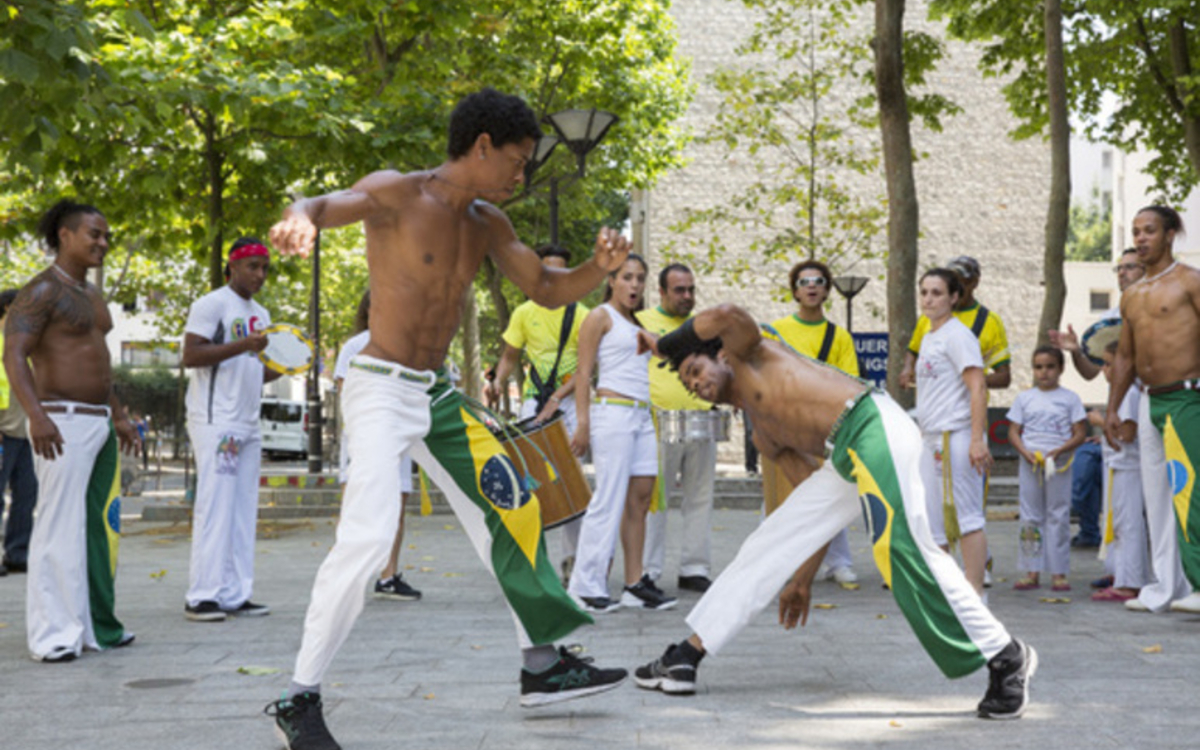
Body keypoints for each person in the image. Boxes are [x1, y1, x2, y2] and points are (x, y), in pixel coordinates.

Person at [264, 88, 631, 750]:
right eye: (517, 161)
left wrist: (596, 272)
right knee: (370, 539)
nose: (522, 176)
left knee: (515, 503)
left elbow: (546, 289)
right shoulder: (398, 194)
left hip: (433, 395)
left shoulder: (488, 222)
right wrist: (299, 218)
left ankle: (541, 664)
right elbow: (320, 204)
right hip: (379, 389)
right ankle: (299, 696)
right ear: (482, 146)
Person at [632, 303, 1037, 720]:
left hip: (872, 424)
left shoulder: (750, 352)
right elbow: (811, 515)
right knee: (771, 539)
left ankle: (1006, 656)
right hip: (846, 453)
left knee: (901, 547)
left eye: (695, 370)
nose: (696, 383)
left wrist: (664, 344)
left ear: (718, 355)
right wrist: (802, 581)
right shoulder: (765, 435)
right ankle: (686, 655)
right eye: (688, 383)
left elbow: (727, 313)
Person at [3, 199, 140, 662]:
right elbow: (14, 355)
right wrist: (36, 415)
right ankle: (52, 637)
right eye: (94, 235)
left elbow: (100, 359)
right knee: (58, 526)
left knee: (97, 527)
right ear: (65, 234)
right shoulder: (40, 291)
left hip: (99, 421)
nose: (103, 242)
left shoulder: (92, 296)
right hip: (60, 420)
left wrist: (119, 414)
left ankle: (91, 628)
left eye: (105, 236)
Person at [1106, 205, 1200, 614]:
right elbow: (1124, 358)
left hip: (1186, 396)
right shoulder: (1131, 294)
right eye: (1136, 231)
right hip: (1148, 400)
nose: (1141, 238)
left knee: (1188, 491)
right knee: (1156, 497)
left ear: (1170, 234)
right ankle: (1166, 586)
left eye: (1149, 231)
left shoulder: (1189, 282)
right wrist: (1112, 409)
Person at [568, 254, 675, 612]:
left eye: (640, 278)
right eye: (627, 277)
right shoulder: (599, 317)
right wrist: (582, 423)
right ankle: (585, 585)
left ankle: (634, 583)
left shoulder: (636, 324)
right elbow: (583, 374)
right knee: (608, 499)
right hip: (611, 415)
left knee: (641, 499)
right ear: (611, 280)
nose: (634, 285)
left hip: (643, 417)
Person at [181, 236, 278, 623]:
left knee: (242, 510)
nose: (259, 274)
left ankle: (236, 594)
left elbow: (254, 369)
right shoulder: (212, 303)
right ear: (232, 266)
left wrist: (290, 366)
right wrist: (243, 345)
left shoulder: (264, 313)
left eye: (265, 268)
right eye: (252, 266)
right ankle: (202, 595)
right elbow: (191, 355)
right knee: (215, 505)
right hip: (215, 420)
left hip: (248, 420)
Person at [485, 243, 588, 583]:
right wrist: (497, 381)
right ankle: (533, 559)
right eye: (548, 271)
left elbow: (589, 367)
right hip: (533, 402)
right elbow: (510, 356)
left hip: (570, 403)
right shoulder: (523, 313)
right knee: (530, 481)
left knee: (572, 482)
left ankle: (573, 560)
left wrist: (559, 397)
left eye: (561, 271)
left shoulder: (582, 315)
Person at [763, 259, 861, 585]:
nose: (812, 286)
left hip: (822, 427)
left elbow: (849, 380)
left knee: (829, 493)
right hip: (781, 426)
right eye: (805, 281)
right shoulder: (774, 331)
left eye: (819, 281)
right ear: (795, 290)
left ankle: (838, 562)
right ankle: (782, 563)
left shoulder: (840, 337)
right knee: (784, 499)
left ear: (827, 289)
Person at [1049, 248, 1145, 549]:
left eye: (1130, 267)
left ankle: (1148, 572)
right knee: (1118, 498)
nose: (1122, 273)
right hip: (1121, 411)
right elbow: (1092, 372)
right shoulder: (1109, 318)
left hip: (1153, 404)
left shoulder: (1159, 310)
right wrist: (1076, 351)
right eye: (1119, 268)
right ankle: (1120, 566)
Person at [334, 291, 421, 601]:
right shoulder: (355, 346)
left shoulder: (409, 347)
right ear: (368, 310)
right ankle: (347, 578)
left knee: (396, 506)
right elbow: (346, 390)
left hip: (397, 438)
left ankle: (389, 575)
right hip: (363, 438)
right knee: (356, 507)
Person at [637, 262, 719, 593]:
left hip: (702, 420)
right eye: (679, 290)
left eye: (691, 290)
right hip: (658, 422)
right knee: (656, 499)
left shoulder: (704, 326)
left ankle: (694, 567)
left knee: (701, 497)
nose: (687, 296)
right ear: (661, 292)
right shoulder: (641, 322)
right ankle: (646, 569)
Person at [913, 269, 992, 595]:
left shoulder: (958, 335)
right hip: (930, 437)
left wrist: (976, 439)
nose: (929, 299)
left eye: (937, 293)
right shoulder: (930, 336)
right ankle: (947, 589)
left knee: (966, 517)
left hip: (956, 436)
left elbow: (978, 387)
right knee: (934, 522)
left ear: (954, 298)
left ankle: (974, 590)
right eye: (925, 292)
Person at [1006, 346, 1087, 592]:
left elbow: (1080, 432)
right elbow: (1013, 431)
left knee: (1058, 515)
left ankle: (1058, 572)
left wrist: (1062, 450)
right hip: (1030, 462)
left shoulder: (1070, 398)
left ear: (1060, 368)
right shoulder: (1024, 398)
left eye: (1050, 366)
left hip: (1058, 465)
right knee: (1030, 515)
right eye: (1039, 367)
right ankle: (1032, 570)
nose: (1044, 372)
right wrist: (1024, 452)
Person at [1092, 341, 1150, 602]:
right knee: (1119, 524)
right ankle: (1122, 573)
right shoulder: (1124, 392)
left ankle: (1130, 582)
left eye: (1108, 363)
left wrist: (1100, 421)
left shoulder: (1128, 393)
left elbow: (1127, 433)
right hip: (1119, 465)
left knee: (1128, 525)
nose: (1104, 369)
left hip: (1128, 466)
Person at [0, 288, 39, 576]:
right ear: (7, 308)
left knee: (27, 496)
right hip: (3, 430)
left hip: (28, 433)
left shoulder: (30, 343)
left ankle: (18, 553)